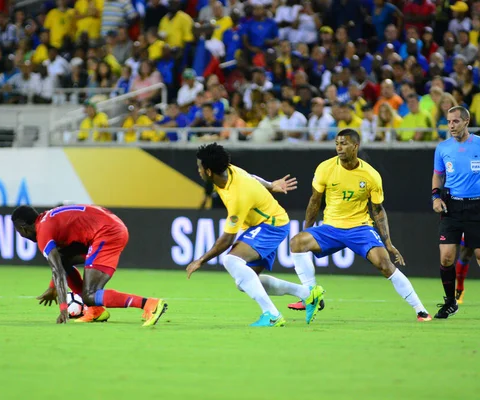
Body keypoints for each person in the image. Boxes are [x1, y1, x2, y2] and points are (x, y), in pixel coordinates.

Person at [286, 129, 431, 322]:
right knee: (297, 242)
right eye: (337, 143)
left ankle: (420, 310)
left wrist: (388, 243)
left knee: (384, 263)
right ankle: (312, 295)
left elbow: (378, 210)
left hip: (360, 228)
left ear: (356, 146)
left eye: (344, 143)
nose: (339, 147)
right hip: (331, 228)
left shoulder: (370, 175)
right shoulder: (325, 168)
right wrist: (307, 229)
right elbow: (314, 201)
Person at [186, 143, 325, 327]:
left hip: (270, 225)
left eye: (200, 167)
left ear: (209, 171)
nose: (199, 171)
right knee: (245, 281)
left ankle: (272, 315)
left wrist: (201, 260)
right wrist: (271, 185)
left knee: (231, 261)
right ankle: (308, 294)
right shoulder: (229, 171)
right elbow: (252, 177)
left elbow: (227, 239)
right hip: (264, 225)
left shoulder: (238, 194)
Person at [11, 204, 167, 326]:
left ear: (23, 228)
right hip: (108, 227)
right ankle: (95, 310)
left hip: (107, 233)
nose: (22, 236)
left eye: (19, 232)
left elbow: (57, 270)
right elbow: (61, 262)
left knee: (90, 294)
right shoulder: (46, 219)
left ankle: (149, 304)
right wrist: (53, 287)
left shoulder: (43, 232)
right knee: (65, 259)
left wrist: (63, 309)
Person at [432, 106, 480, 318]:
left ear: (466, 121)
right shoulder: (443, 148)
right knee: (446, 258)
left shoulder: (479, 144)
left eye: (456, 121)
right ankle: (451, 302)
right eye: (449, 122)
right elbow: (437, 175)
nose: (451, 126)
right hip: (451, 207)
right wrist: (435, 197)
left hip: (477, 206)